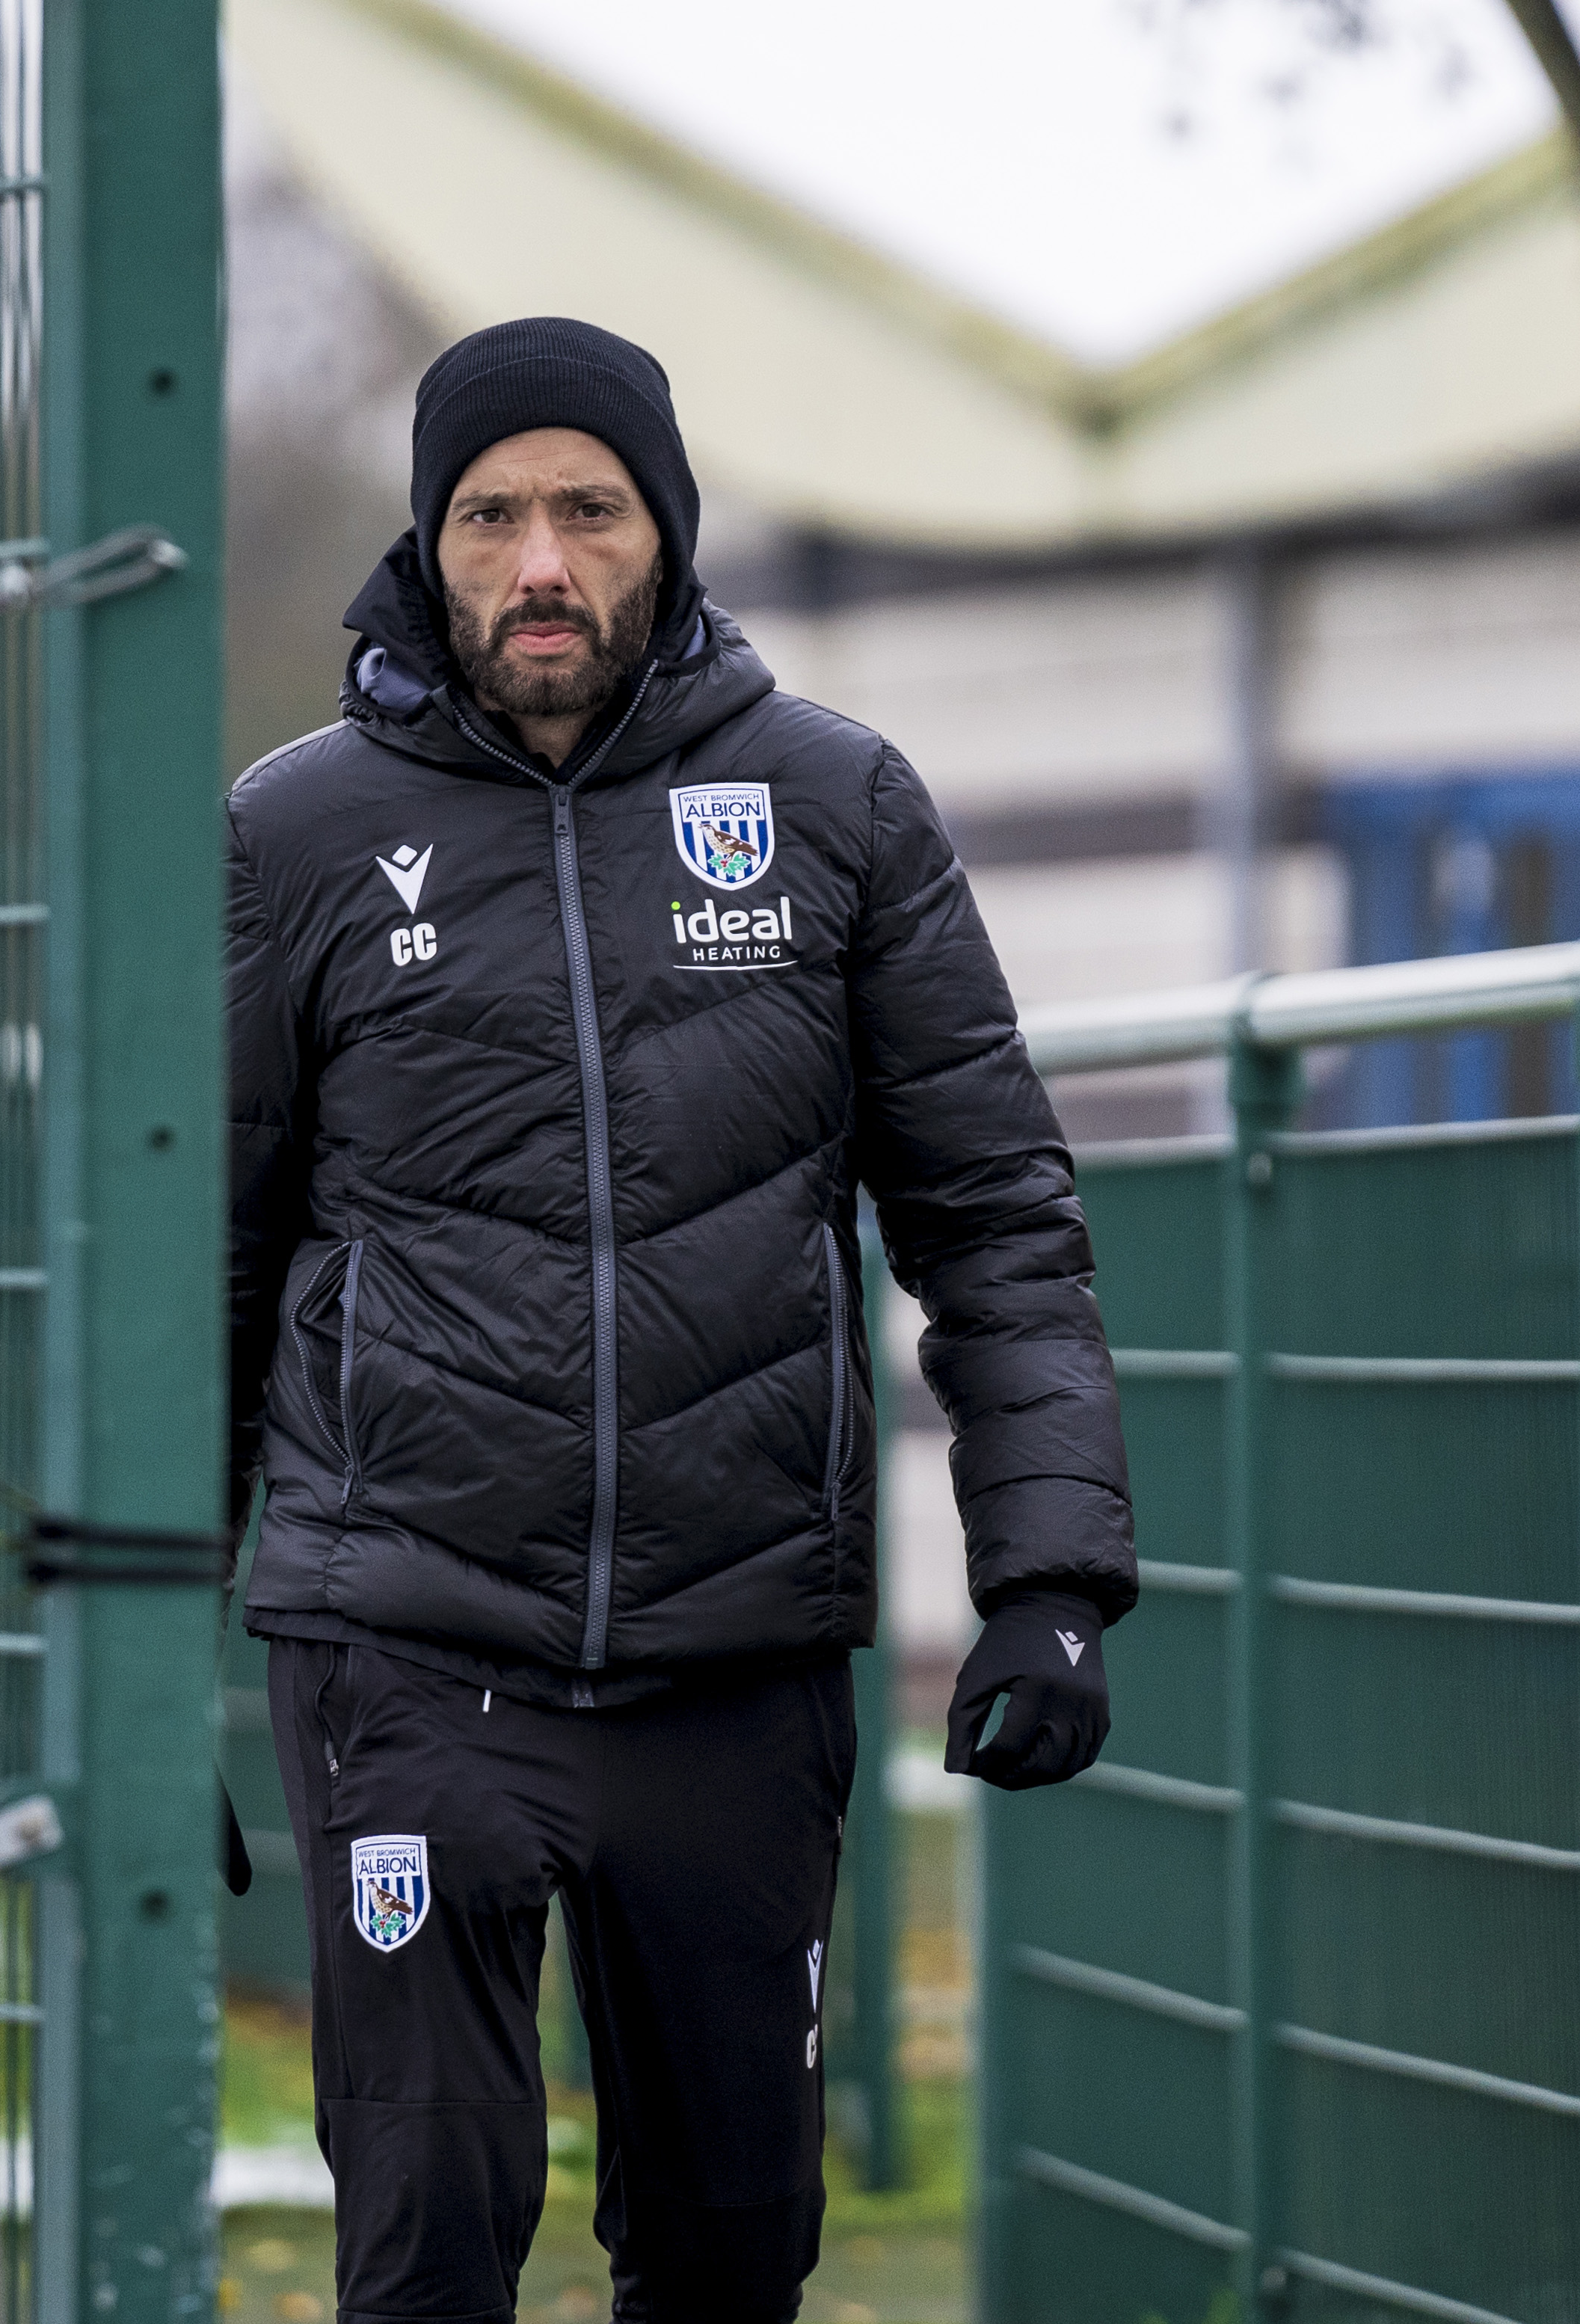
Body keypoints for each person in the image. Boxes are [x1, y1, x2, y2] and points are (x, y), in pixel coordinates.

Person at [226, 316, 1134, 2323]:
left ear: (669, 531)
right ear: (430, 542)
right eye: (490, 516)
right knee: (429, 2232)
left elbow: (993, 1218)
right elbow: (205, 1258)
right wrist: (129, 1677)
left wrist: (1052, 1574)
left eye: (588, 509)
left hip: (740, 1661)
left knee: (730, 2254)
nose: (539, 560)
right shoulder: (288, 839)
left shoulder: (837, 808)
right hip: (407, 1649)